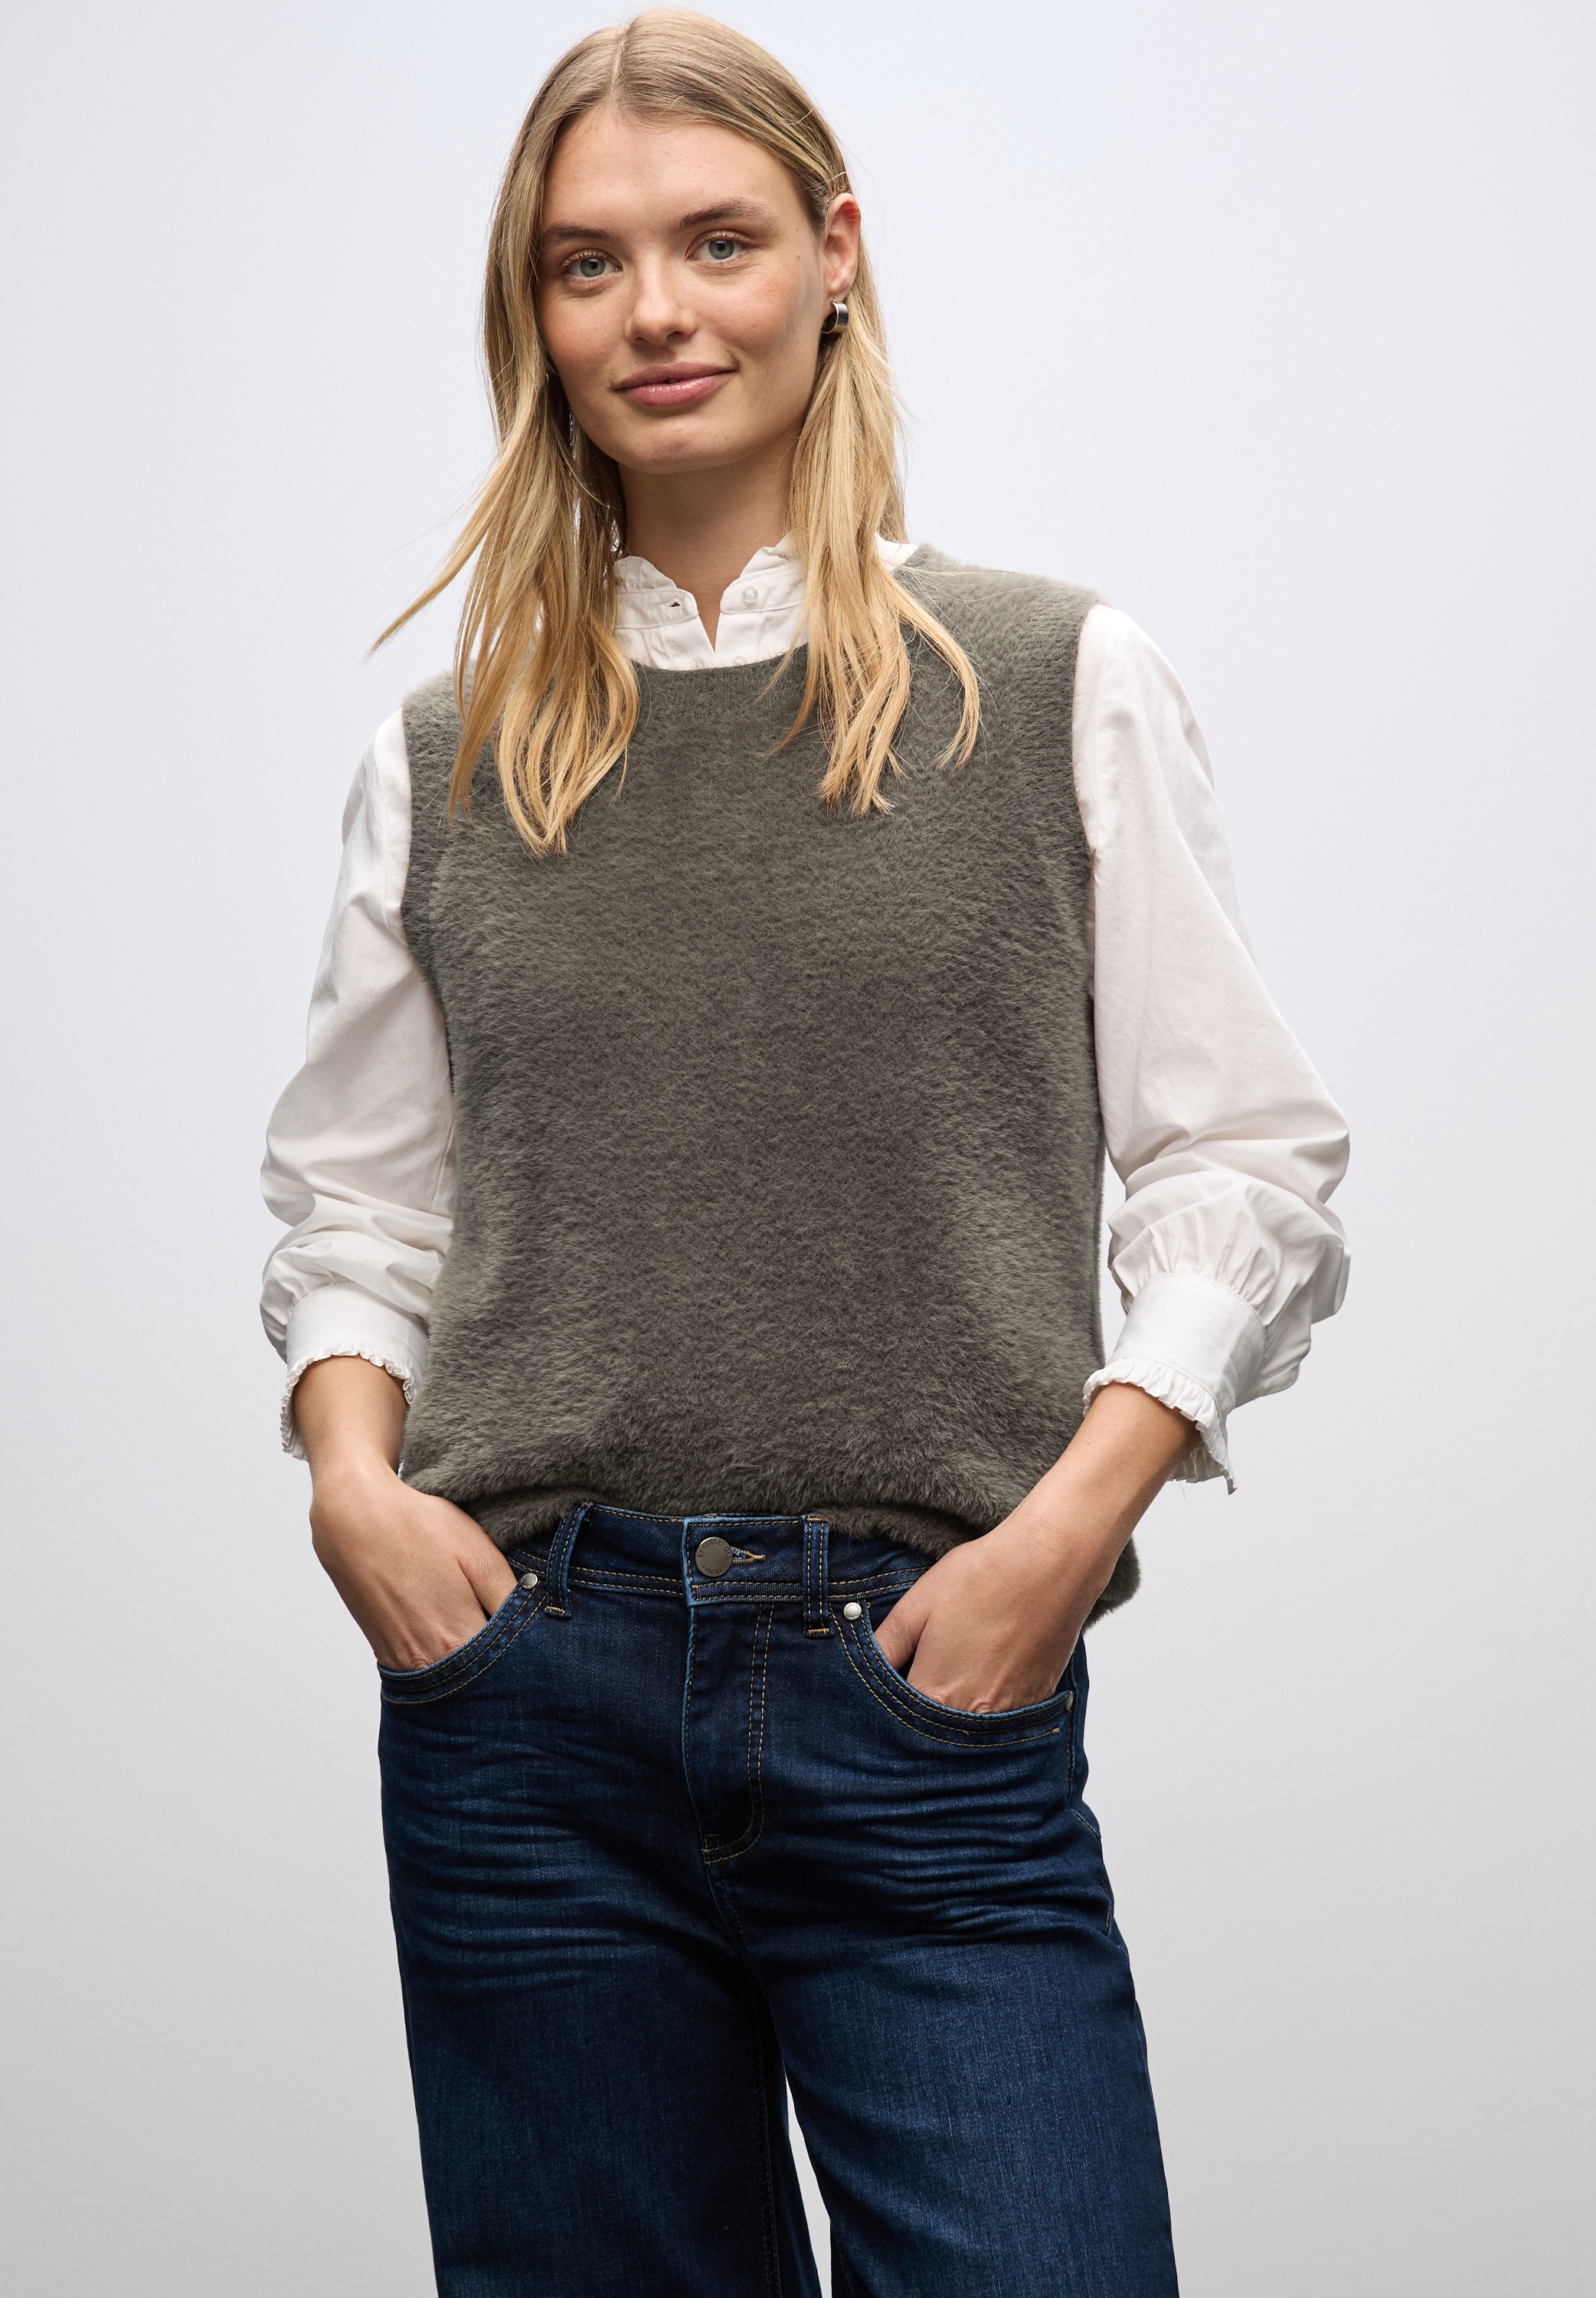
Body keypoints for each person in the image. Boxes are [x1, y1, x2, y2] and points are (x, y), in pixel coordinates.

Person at [260, 12, 1349, 2293]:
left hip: (918, 1686)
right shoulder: (445, 755)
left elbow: (1238, 1161)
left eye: (717, 242)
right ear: (534, 317)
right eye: (587, 264)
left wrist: (1064, 1535)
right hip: (525, 1708)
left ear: (834, 253)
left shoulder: (1051, 679)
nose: (656, 311)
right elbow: (363, 1203)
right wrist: (356, 1487)